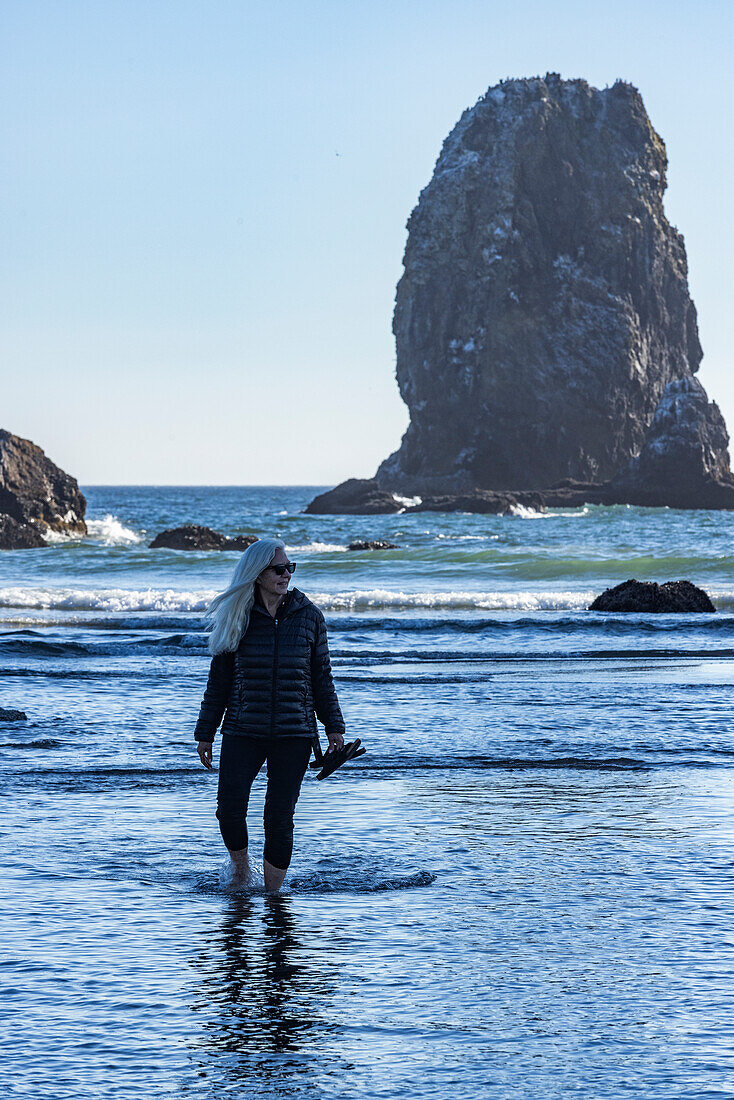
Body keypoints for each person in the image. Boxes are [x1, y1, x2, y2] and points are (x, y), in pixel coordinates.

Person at [194, 537, 345, 892]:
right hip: (243, 728)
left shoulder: (309, 617)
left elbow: (322, 675)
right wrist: (206, 731)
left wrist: (334, 727)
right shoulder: (238, 616)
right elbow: (219, 681)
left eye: (290, 568)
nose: (286, 575)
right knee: (229, 809)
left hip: (294, 732)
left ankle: (273, 895)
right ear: (258, 574)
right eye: (279, 569)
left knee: (279, 818)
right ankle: (242, 871)